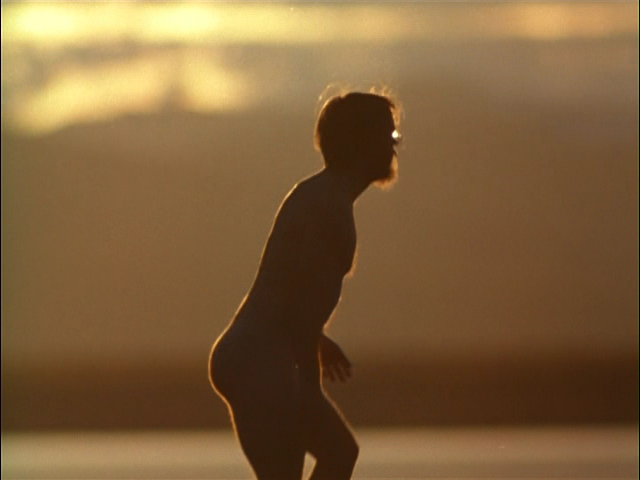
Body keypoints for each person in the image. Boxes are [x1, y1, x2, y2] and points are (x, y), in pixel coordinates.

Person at [209, 90, 401, 480]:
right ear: (363, 143)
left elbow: (288, 291)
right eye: (389, 136)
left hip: (255, 355)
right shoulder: (330, 209)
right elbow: (297, 308)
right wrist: (310, 387)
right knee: (333, 455)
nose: (395, 146)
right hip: (262, 362)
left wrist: (319, 341)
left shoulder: (318, 195)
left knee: (339, 453)